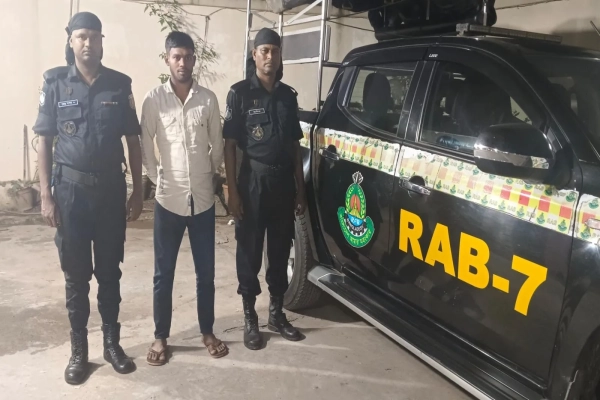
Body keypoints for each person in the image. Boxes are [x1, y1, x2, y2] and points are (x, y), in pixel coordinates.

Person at [32, 12, 143, 385]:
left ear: (101, 41)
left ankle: (112, 344)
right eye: (81, 36)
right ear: (71, 41)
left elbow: (133, 141)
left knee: (110, 272)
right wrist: (46, 195)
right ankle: (79, 350)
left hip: (110, 192)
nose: (88, 43)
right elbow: (44, 140)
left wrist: (137, 191)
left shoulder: (119, 85)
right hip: (71, 195)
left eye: (94, 37)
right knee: (76, 276)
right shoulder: (55, 83)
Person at [140, 31, 228, 365]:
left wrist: (209, 172)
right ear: (167, 59)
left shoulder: (208, 99)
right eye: (177, 56)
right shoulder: (154, 99)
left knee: (206, 273)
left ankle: (207, 332)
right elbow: (145, 142)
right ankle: (160, 336)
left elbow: (218, 144)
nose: (183, 62)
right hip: (169, 201)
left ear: (194, 60)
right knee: (163, 274)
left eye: (188, 57)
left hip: (203, 201)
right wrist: (155, 177)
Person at [223, 28, 307, 350]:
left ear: (280, 54)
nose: (270, 56)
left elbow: (295, 146)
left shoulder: (288, 96)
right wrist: (233, 191)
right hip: (253, 183)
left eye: (275, 50)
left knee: (280, 250)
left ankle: (276, 314)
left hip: (283, 183)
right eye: (264, 51)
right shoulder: (240, 94)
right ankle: (250, 318)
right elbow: (230, 146)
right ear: (254, 55)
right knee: (249, 251)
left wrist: (300, 189)